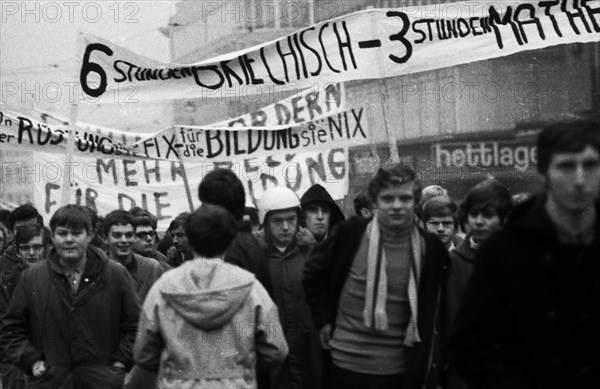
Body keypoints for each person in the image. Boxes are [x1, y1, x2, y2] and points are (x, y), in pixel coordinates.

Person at [446, 119, 600, 389]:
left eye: (590, 165)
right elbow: (469, 348)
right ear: (544, 173)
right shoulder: (505, 250)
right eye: (565, 166)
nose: (579, 180)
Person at [303, 163, 450, 389]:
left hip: (400, 373)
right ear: (376, 201)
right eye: (388, 199)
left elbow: (438, 311)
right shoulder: (350, 233)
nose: (397, 206)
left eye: (405, 198)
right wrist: (323, 319)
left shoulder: (430, 248)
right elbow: (312, 274)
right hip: (344, 367)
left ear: (416, 201)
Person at [129, 204, 288, 389]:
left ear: (191, 240)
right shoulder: (251, 287)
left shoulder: (164, 287)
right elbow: (277, 349)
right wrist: (242, 367)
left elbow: (143, 353)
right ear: (229, 241)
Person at [0, 204, 140, 389]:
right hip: (50, 383)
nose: (69, 240)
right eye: (62, 233)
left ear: (89, 235)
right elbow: (11, 329)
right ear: (53, 237)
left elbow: (137, 326)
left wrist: (119, 364)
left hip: (101, 383)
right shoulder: (33, 277)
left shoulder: (115, 274)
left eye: (76, 233)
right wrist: (32, 362)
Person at [258, 187, 323, 389]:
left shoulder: (310, 254)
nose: (286, 227)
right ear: (265, 224)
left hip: (309, 348)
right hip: (272, 349)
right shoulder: (258, 258)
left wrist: (315, 251)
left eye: (291, 219)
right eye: (277, 221)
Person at [198, 168, 272, 294]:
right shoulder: (247, 240)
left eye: (205, 204)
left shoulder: (228, 248)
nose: (202, 209)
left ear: (217, 207)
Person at [0, 225, 50, 389]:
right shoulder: (6, 284)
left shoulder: (61, 280)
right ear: (17, 251)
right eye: (25, 248)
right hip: (17, 366)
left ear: (46, 248)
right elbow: (6, 330)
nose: (31, 253)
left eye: (36, 247)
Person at [103, 210, 164, 303]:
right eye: (117, 235)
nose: (124, 240)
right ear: (105, 239)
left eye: (129, 235)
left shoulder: (152, 269)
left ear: (135, 237)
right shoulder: (95, 269)